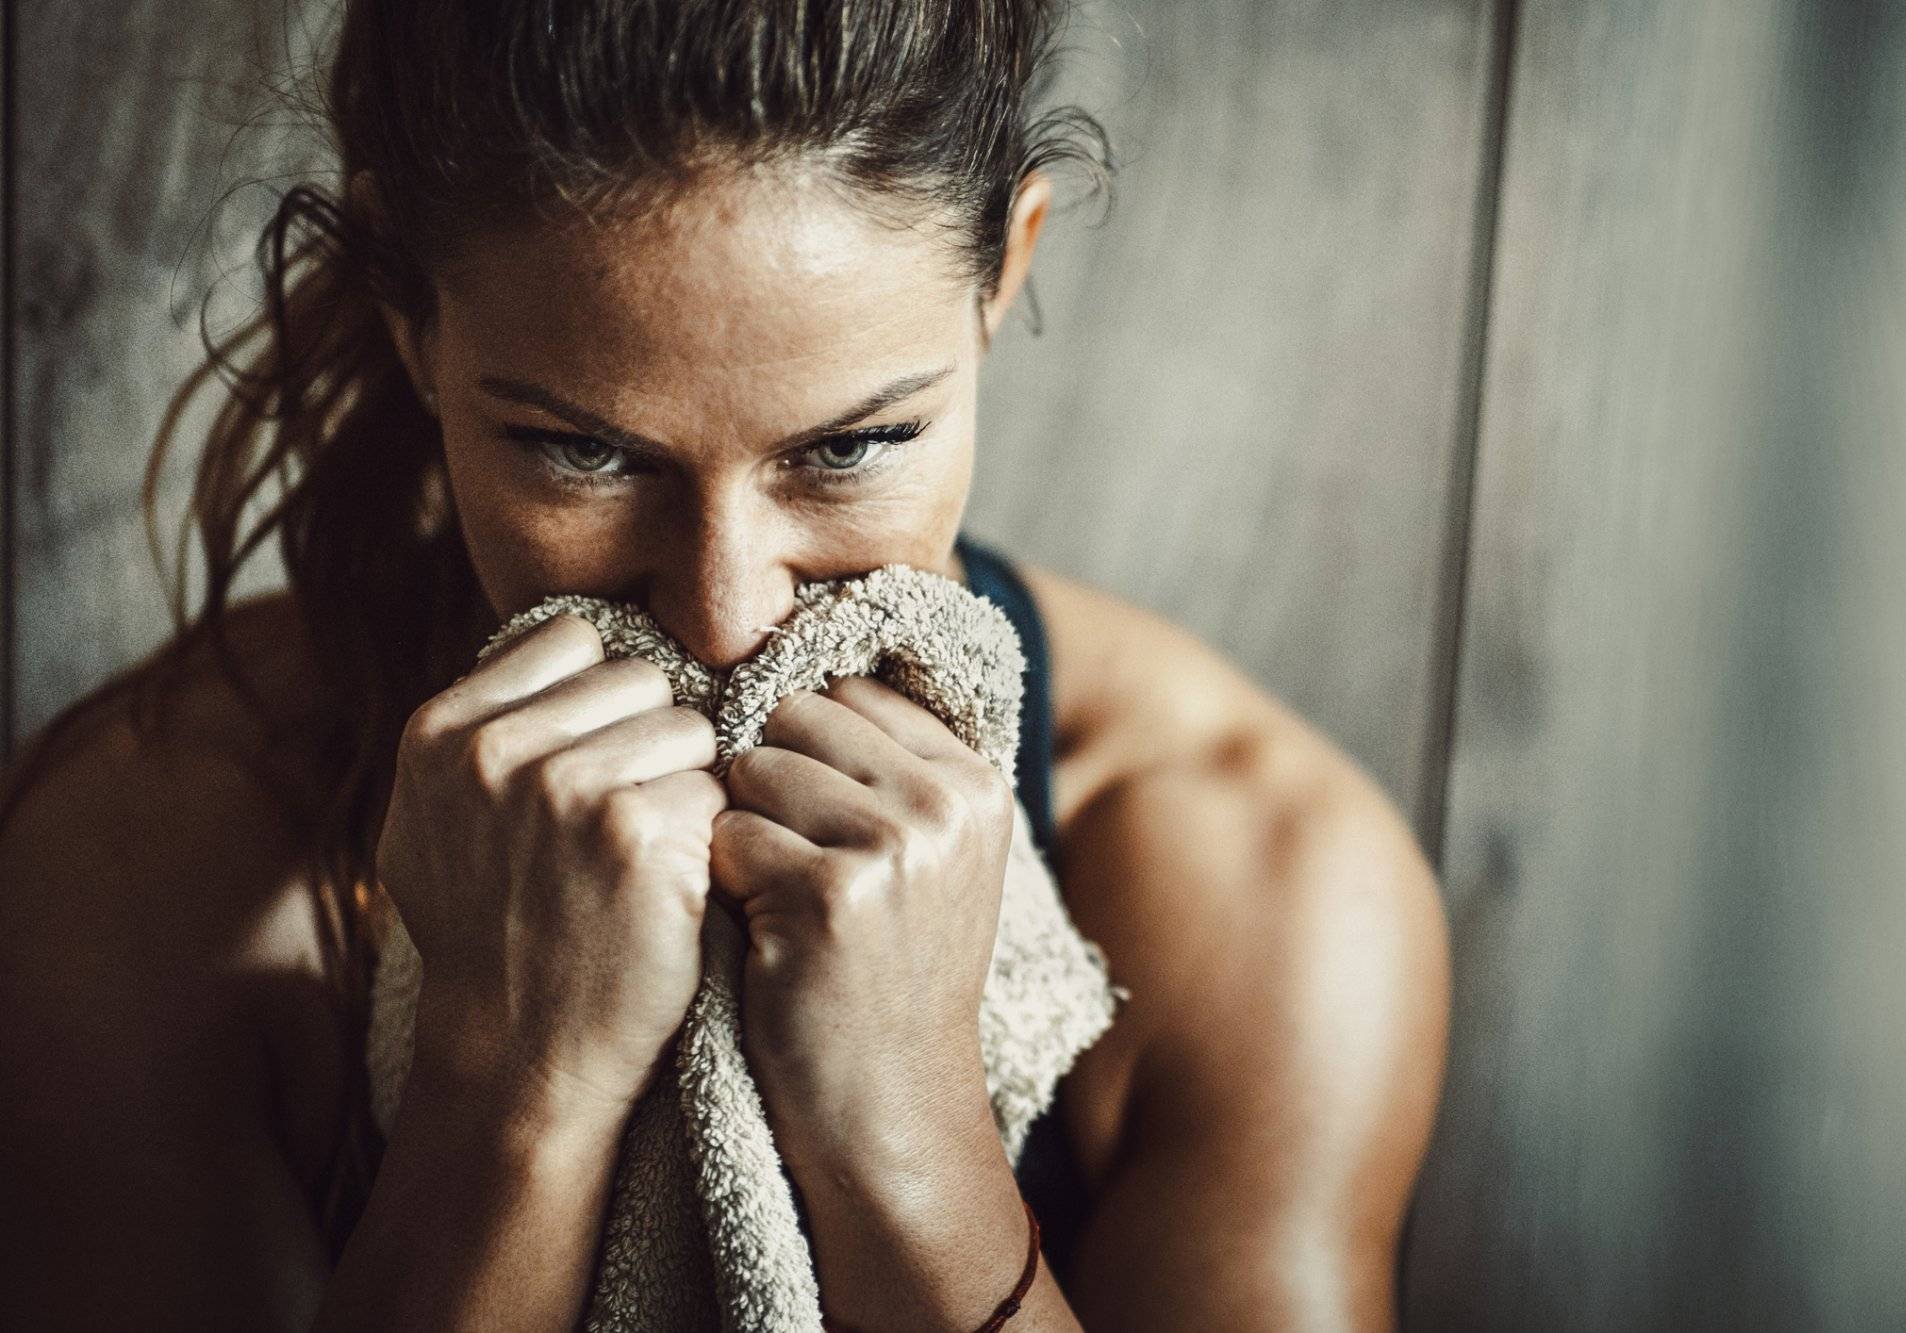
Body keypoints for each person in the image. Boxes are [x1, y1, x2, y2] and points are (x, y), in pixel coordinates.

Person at [0, 0, 1450, 1327]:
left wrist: (914, 1141)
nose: (722, 611)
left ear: (1004, 273)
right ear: (416, 325)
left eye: (851, 447)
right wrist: (509, 1095)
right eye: (583, 449)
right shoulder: (150, 860)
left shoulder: (1260, 880)